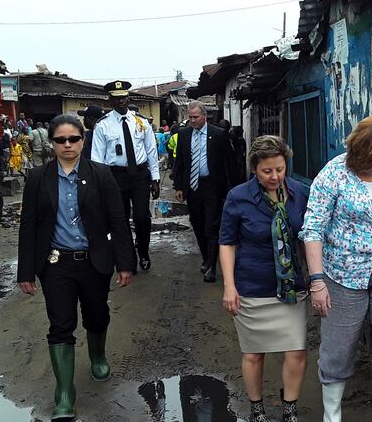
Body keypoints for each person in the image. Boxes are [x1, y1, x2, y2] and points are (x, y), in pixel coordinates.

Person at [17, 114, 136, 420]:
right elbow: (28, 226)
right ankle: (65, 393)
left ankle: (97, 355)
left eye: (74, 139)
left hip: (94, 261)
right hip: (55, 264)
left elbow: (118, 220)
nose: (67, 145)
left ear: (84, 140)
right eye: (60, 140)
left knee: (97, 315)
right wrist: (26, 271)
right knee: (60, 324)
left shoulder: (101, 174)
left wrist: (125, 262)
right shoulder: (38, 178)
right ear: (52, 143)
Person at [300, 115, 372, 421]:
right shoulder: (334, 174)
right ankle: (332, 415)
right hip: (343, 278)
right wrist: (317, 282)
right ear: (360, 152)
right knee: (338, 349)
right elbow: (313, 229)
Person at [219, 135, 309, 422]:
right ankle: (257, 409)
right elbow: (227, 243)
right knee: (254, 354)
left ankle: (289, 410)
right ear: (254, 169)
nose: (274, 177)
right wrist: (229, 286)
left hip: (291, 288)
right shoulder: (238, 197)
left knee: (295, 351)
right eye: (266, 171)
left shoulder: (300, 193)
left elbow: (310, 237)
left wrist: (316, 278)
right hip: (252, 287)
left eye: (280, 169)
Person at [91, 80, 161, 271]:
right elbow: (97, 158)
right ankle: (127, 258)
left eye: (123, 98)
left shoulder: (141, 122)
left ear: (128, 98)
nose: (121, 102)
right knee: (119, 220)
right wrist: (100, 184)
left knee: (141, 217)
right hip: (115, 177)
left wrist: (155, 178)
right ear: (110, 100)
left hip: (139, 175)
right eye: (116, 98)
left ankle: (143, 252)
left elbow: (151, 150)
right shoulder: (102, 126)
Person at [173, 100, 239, 281]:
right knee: (198, 223)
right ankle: (206, 258)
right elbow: (179, 163)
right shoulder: (184, 134)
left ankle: (211, 266)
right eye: (190, 117)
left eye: (195, 117)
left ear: (205, 116)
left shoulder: (218, 134)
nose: (192, 120)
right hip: (193, 187)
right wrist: (178, 186)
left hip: (212, 186)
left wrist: (233, 187)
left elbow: (230, 162)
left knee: (212, 225)